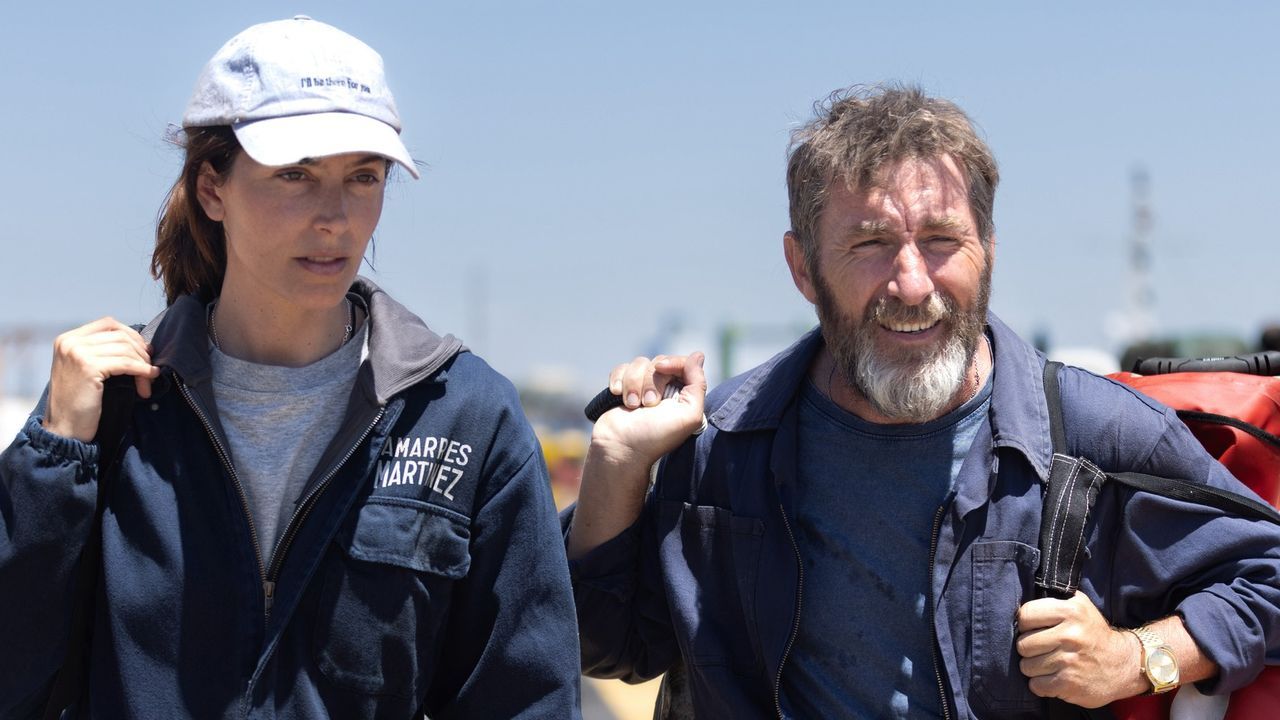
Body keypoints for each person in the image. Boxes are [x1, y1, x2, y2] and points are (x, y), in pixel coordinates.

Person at [565, 84, 1280, 718]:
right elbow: (607, 647)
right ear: (802, 268)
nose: (911, 284)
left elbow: (1267, 578)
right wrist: (616, 469)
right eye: (870, 243)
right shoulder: (723, 446)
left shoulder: (1094, 437)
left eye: (941, 240)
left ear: (988, 253)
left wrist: (1136, 658)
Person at [0, 17, 580, 719]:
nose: (335, 217)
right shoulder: (111, 408)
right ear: (213, 189)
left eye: (363, 177)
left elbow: (527, 699)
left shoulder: (465, 414)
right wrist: (54, 458)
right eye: (295, 175)